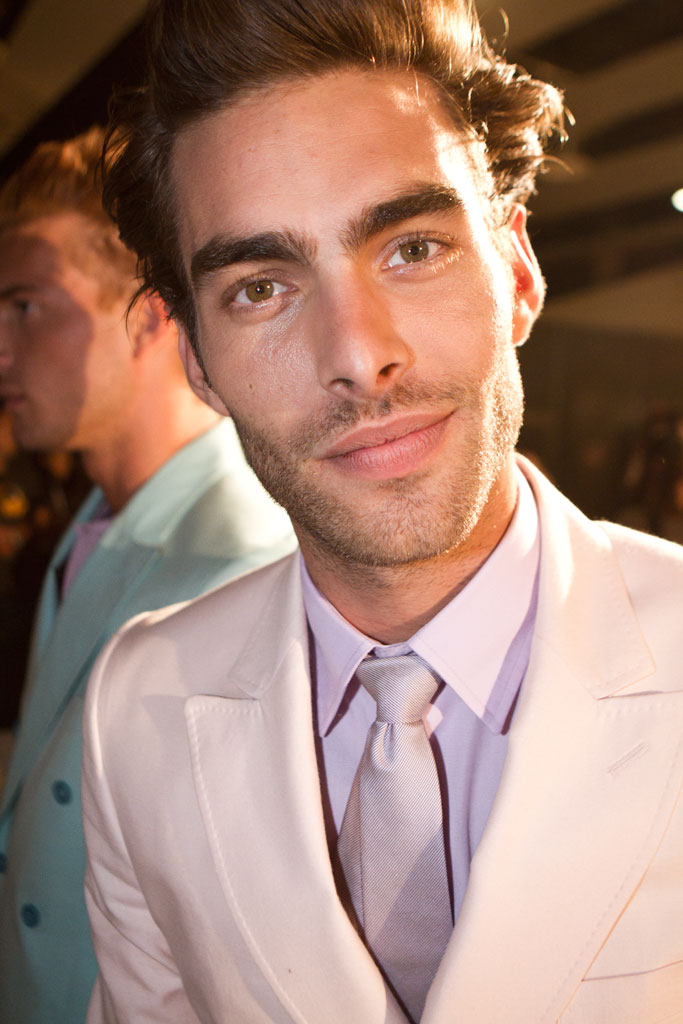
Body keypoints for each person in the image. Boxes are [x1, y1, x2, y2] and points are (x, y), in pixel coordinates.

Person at [82, 2, 683, 1022]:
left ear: (516, 272)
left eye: (412, 248)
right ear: (197, 362)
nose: (358, 356)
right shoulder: (136, 706)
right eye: (260, 288)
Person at [0, 127, 295, 1023]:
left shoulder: (242, 562)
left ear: (151, 314)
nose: (1, 348)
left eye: (26, 307)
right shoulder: (95, 525)